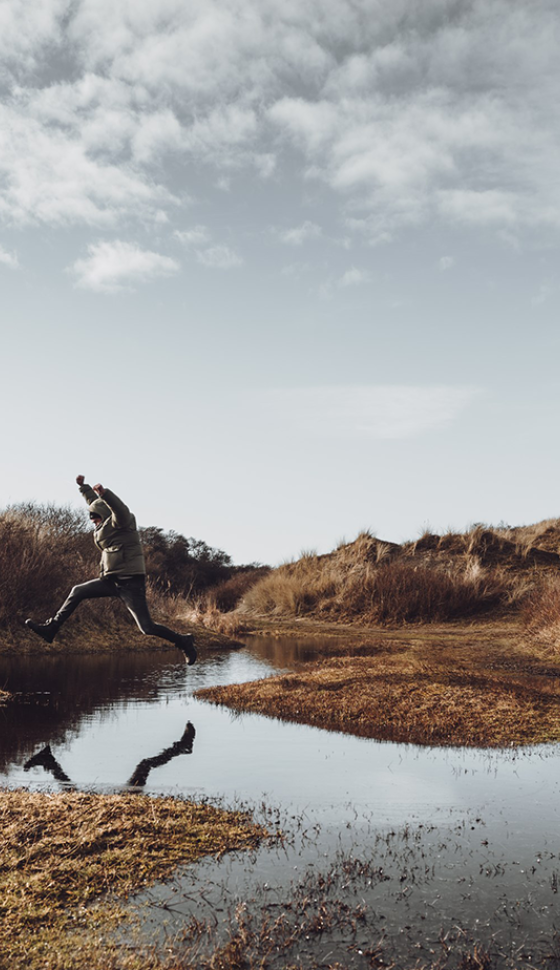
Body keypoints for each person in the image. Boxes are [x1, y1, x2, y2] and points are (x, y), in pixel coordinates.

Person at [25, 476, 197, 664]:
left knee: (147, 628)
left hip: (131, 583)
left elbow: (119, 508)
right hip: (111, 581)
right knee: (78, 591)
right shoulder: (103, 519)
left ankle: (183, 641)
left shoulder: (122, 521)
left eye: (96, 520)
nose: (95, 524)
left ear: (105, 515)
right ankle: (52, 629)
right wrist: (84, 488)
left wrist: (105, 494)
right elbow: (95, 503)